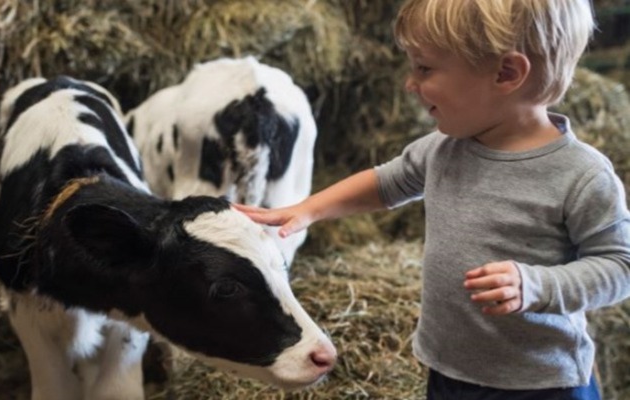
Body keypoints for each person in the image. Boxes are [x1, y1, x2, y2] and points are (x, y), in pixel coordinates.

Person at [234, 0, 630, 398]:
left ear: (506, 73)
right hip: (450, 368)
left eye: (424, 68)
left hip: (542, 383)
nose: (410, 83)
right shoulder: (444, 147)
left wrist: (537, 285)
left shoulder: (581, 175)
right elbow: (388, 182)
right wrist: (308, 210)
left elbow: (619, 265)